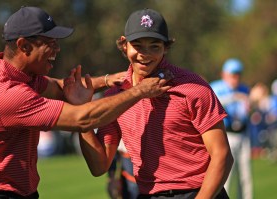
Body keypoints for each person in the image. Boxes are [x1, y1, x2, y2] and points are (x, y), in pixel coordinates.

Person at [0, 6, 171, 199]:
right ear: (24, 46)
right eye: (50, 43)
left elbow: (65, 88)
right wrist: (139, 91)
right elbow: (83, 118)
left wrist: (109, 80)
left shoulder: (17, 74)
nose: (58, 49)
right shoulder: (8, 94)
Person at [78, 8, 233, 199]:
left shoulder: (193, 87)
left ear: (166, 47)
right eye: (138, 45)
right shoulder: (115, 97)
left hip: (200, 193)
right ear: (124, 45)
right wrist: (82, 113)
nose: (145, 54)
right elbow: (99, 166)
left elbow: (222, 155)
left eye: (154, 46)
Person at [210, 58, 253, 199]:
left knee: (245, 176)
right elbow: (215, 105)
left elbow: (246, 113)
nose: (235, 78)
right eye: (232, 74)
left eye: (238, 74)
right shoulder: (216, 87)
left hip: (242, 134)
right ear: (224, 74)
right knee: (225, 175)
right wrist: (234, 97)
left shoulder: (244, 88)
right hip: (225, 135)